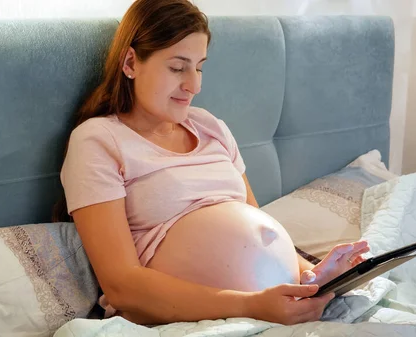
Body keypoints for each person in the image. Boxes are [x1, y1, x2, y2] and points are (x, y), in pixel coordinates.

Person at [54, 0, 370, 326]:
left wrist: (314, 275)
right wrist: (251, 306)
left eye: (199, 66)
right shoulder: (98, 141)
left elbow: (254, 223)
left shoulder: (211, 128)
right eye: (178, 67)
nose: (195, 85)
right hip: (199, 317)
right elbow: (121, 286)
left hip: (272, 307)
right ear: (131, 62)